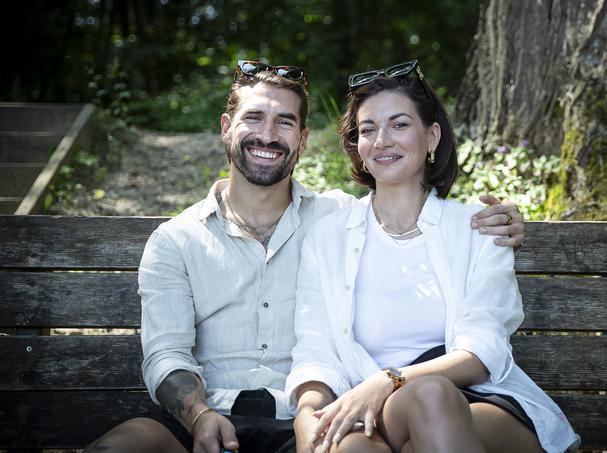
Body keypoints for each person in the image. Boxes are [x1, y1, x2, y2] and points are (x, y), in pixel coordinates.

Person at [85, 60, 526, 453]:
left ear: (303, 139)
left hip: (303, 416)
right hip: (206, 417)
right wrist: (198, 415)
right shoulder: (176, 240)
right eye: (253, 117)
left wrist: (499, 221)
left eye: (285, 122)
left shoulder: (331, 219)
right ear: (225, 127)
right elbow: (166, 355)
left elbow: (406, 204)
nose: (267, 134)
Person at [286, 60, 580, 453]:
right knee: (353, 449)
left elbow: (482, 351)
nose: (383, 140)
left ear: (432, 136)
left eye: (400, 124)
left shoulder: (478, 228)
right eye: (368, 129)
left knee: (430, 398)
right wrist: (308, 416)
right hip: (372, 411)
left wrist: (390, 379)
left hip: (478, 401)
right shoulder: (328, 234)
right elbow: (315, 348)